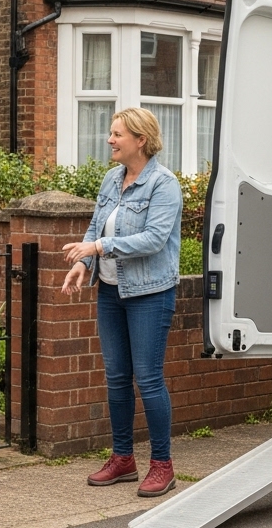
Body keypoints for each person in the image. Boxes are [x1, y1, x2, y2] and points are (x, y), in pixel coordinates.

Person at [60, 108, 182, 497]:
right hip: (111, 291)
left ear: (140, 139)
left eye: (117, 134)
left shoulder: (163, 185)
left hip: (150, 294)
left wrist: (99, 247)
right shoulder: (112, 178)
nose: (110, 140)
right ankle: (123, 459)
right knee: (116, 378)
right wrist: (83, 262)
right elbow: (96, 225)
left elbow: (154, 239)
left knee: (147, 379)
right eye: (111, 133)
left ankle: (162, 465)